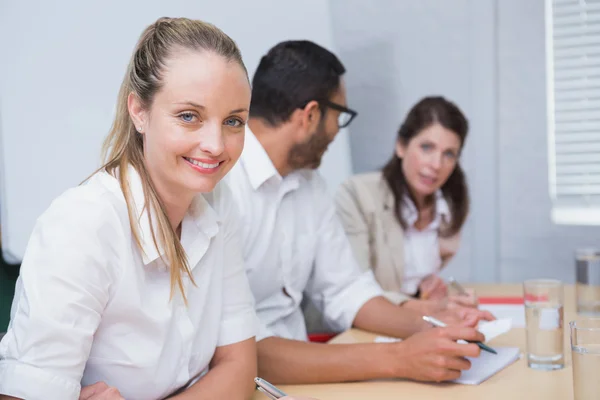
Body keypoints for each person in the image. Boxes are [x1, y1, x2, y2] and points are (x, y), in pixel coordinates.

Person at [0, 17, 259, 400]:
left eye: (233, 121)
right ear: (139, 111)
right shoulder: (83, 224)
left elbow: (240, 369)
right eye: (190, 116)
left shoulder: (219, 202)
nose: (216, 145)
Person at [226, 40, 494, 386]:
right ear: (310, 115)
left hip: (304, 374)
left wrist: (433, 324)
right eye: (340, 115)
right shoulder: (221, 186)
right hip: (248, 382)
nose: (338, 130)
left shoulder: (310, 185)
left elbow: (345, 289)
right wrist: (400, 358)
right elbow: (244, 353)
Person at [335, 96, 477, 305]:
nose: (437, 164)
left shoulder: (448, 207)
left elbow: (405, 282)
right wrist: (428, 307)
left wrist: (425, 292)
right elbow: (355, 290)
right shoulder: (357, 195)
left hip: (412, 324)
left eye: (449, 154)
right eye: (427, 147)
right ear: (401, 146)